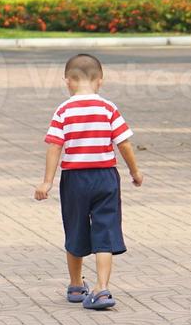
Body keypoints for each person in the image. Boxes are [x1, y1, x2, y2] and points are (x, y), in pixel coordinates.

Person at [34, 53, 144, 310]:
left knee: (75, 227)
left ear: (68, 81)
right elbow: (124, 144)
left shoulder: (63, 110)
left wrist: (47, 182)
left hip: (74, 179)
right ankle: (102, 289)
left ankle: (75, 285)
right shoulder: (108, 108)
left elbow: (54, 146)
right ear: (100, 81)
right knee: (105, 230)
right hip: (106, 177)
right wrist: (135, 172)